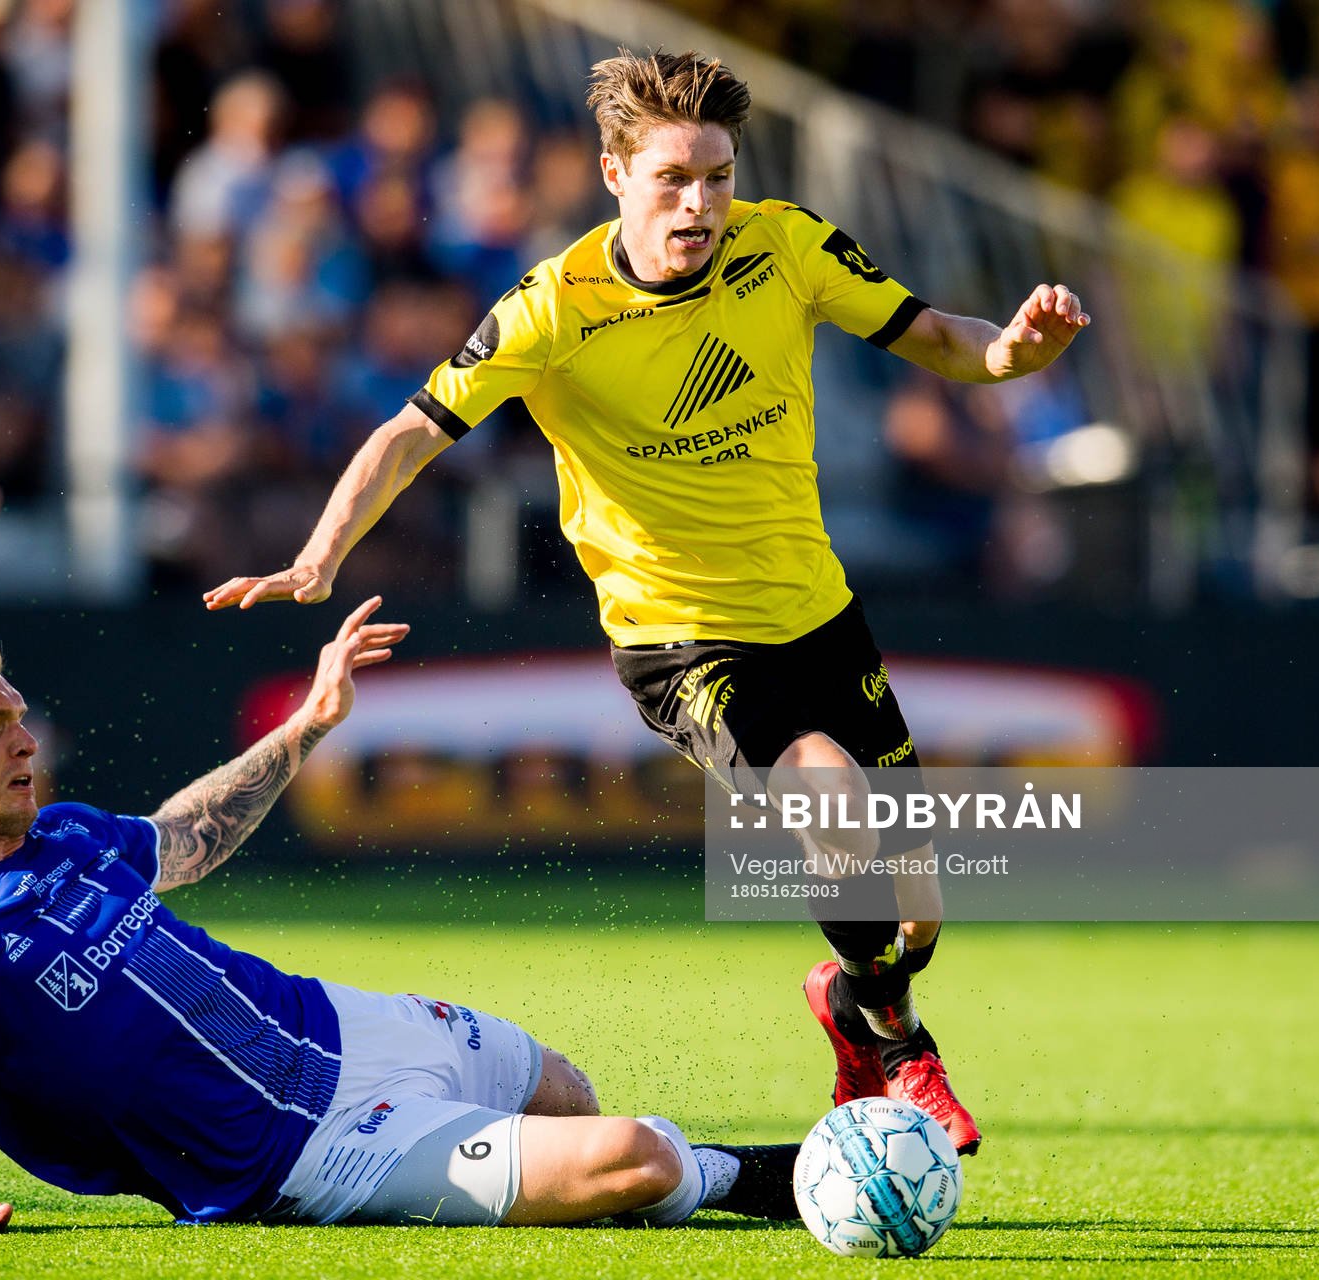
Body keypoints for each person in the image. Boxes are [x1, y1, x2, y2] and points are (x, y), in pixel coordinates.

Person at [206, 50, 1097, 1155]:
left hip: (818, 615)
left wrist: (1015, 351)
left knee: (913, 913)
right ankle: (907, 1046)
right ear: (615, 172)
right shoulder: (551, 307)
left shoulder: (788, 245)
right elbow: (407, 432)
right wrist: (319, 551)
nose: (702, 203)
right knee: (831, 801)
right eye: (675, 177)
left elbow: (935, 336)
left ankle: (852, 1001)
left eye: (718, 176)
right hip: (680, 640)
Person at [0, 598, 797, 1232]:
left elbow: (188, 836)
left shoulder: (68, 833)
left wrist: (307, 723)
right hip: (308, 1153)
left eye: (20, 715)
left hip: (341, 1027)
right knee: (639, 1160)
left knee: (567, 1091)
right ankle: (744, 1173)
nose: (25, 738)